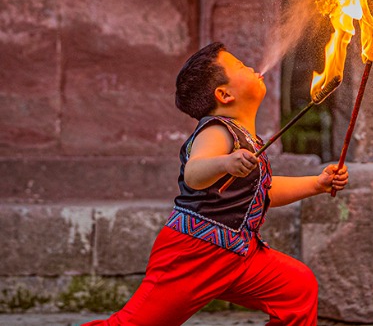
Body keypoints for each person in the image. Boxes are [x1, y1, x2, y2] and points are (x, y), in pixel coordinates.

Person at [84, 42, 348, 326]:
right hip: (194, 254)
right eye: (239, 66)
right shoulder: (217, 129)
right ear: (224, 94)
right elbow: (194, 173)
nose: (250, 67)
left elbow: (264, 191)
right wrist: (225, 163)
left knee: (296, 287)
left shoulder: (248, 141)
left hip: (240, 255)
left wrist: (317, 183)